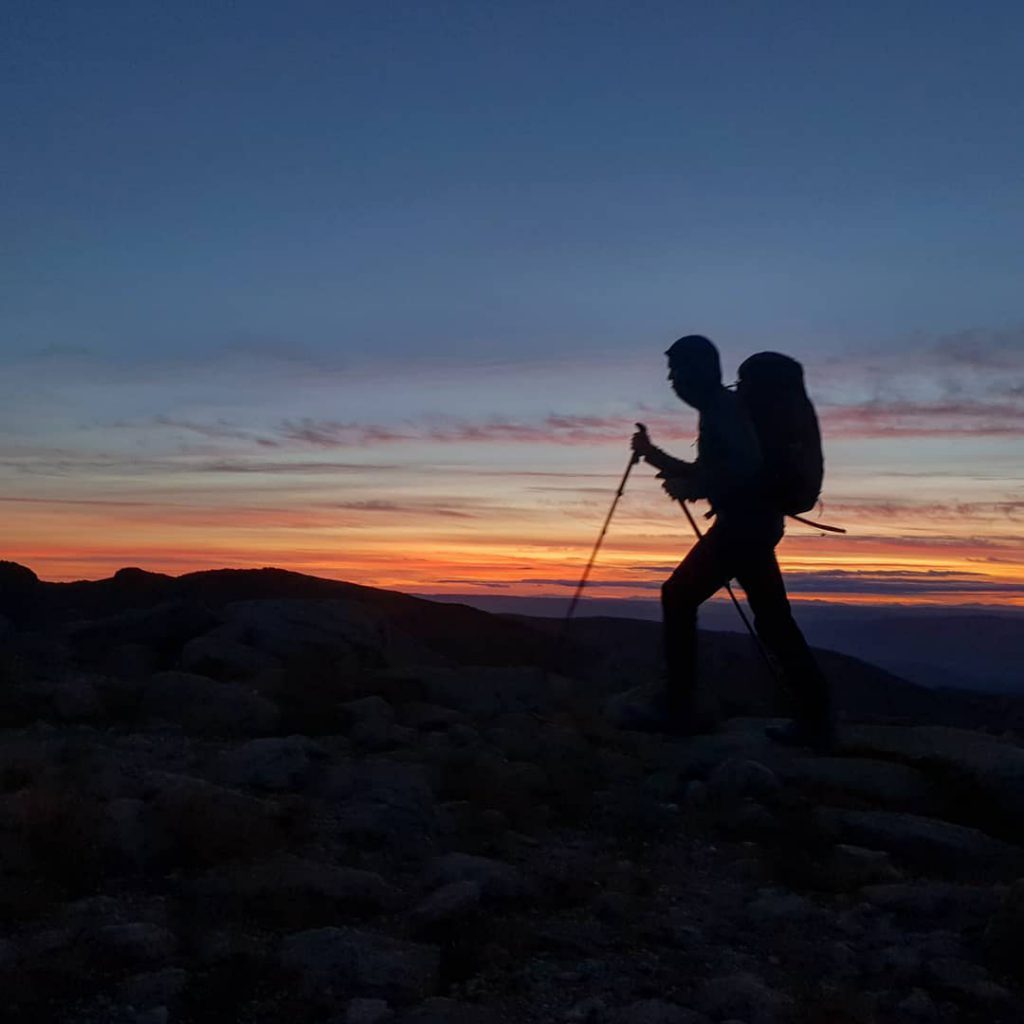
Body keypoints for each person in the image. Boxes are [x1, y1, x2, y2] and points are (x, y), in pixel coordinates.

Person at [630, 334, 835, 751]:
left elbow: (740, 469)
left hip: (744, 525)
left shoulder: (722, 409)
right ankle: (816, 718)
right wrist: (654, 456)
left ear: (699, 369)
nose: (672, 380)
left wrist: (694, 486)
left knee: (678, 595)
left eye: (677, 370)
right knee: (774, 621)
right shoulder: (724, 409)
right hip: (757, 523)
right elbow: (714, 469)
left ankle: (679, 707)